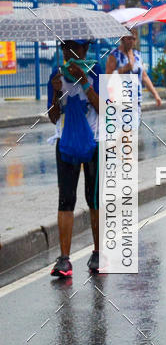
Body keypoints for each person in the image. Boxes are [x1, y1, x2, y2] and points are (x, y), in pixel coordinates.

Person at [47, 40, 101, 278]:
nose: (69, 53)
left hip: (94, 143)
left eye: (74, 48)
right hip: (66, 143)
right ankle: (64, 259)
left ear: (85, 50)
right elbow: (52, 116)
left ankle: (99, 252)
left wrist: (84, 82)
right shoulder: (56, 74)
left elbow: (106, 109)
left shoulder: (97, 71)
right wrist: (57, 92)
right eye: (65, 48)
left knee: (95, 199)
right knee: (65, 199)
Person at [105, 32, 162, 115]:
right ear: (122, 38)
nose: (131, 41)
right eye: (129, 38)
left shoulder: (137, 55)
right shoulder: (114, 55)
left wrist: (155, 95)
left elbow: (144, 77)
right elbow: (108, 77)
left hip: (136, 100)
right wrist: (124, 69)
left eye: (134, 39)